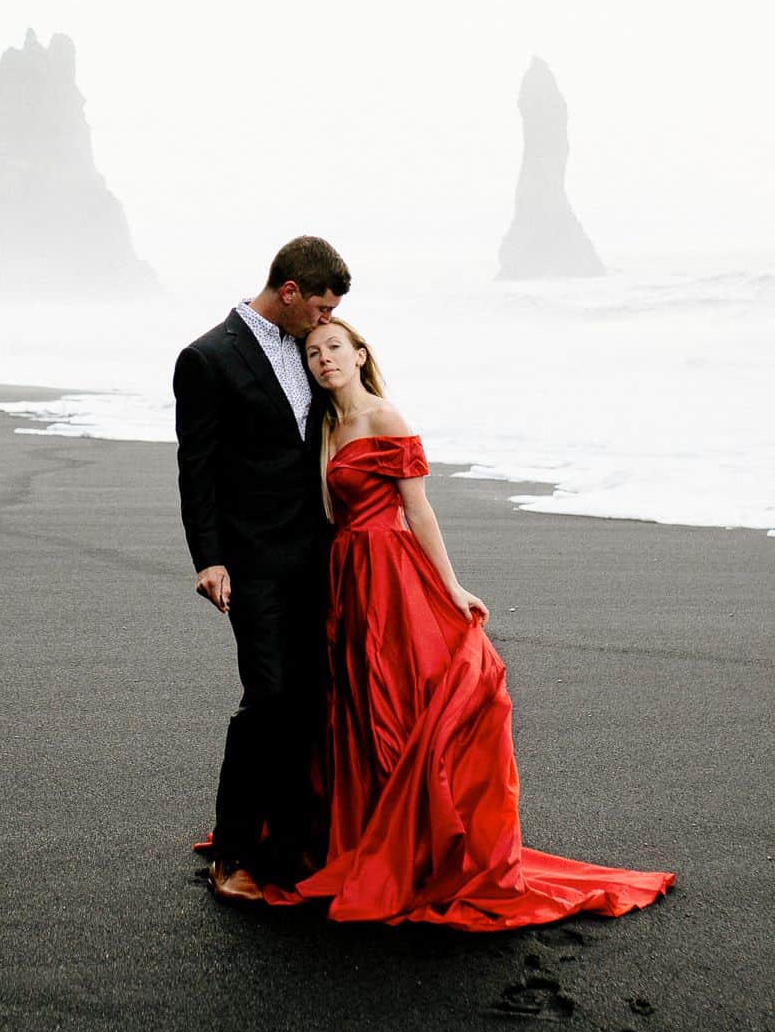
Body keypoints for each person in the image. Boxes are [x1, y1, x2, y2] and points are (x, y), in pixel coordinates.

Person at [264, 318, 675, 929]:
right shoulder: (324, 426)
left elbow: (417, 508)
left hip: (389, 575)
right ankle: (365, 832)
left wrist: (452, 586)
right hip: (346, 577)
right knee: (353, 703)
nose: (324, 360)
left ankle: (419, 844)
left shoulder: (385, 417)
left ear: (359, 355)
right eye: (314, 352)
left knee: (397, 698)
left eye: (334, 349)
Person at [173, 236, 350, 903]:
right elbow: (197, 468)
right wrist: (209, 558)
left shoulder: (312, 348)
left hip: (320, 552)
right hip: (250, 558)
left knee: (311, 697)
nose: (326, 322)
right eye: (320, 307)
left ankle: (291, 838)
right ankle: (230, 853)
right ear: (290, 292)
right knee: (269, 697)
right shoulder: (207, 358)